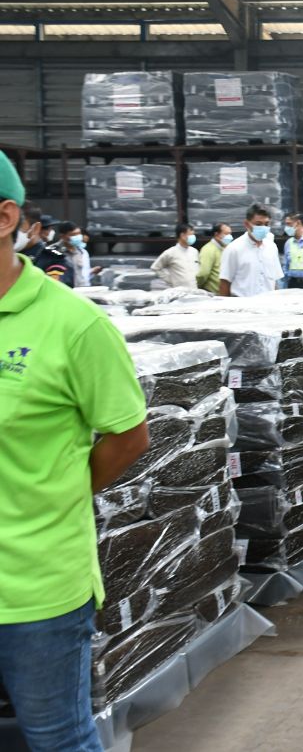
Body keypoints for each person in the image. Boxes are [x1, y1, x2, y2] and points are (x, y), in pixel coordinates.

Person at [0, 155, 150, 751]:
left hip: (36, 586)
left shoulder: (73, 325)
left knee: (56, 737)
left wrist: (55, 492)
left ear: (5, 218)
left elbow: (128, 435)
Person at [219, 204, 283, 298]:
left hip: (268, 303)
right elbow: (224, 282)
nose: (263, 228)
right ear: (246, 224)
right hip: (242, 304)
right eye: (258, 224)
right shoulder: (234, 249)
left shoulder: (272, 247)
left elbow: (275, 280)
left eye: (266, 224)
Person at [35, 222, 89, 288]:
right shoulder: (52, 252)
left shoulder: (81, 251)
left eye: (79, 233)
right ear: (62, 236)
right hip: (62, 290)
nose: (77, 237)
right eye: (73, 234)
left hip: (82, 289)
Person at [149, 222, 200, 290]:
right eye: (191, 235)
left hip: (195, 290)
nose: (193, 237)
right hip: (180, 291)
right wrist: (170, 280)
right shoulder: (170, 252)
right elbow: (155, 267)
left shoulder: (194, 251)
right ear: (182, 235)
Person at [197, 222, 233, 294]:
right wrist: (199, 286)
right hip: (214, 294)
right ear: (216, 234)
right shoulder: (208, 249)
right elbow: (203, 273)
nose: (230, 237)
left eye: (230, 234)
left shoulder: (225, 248)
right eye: (226, 234)